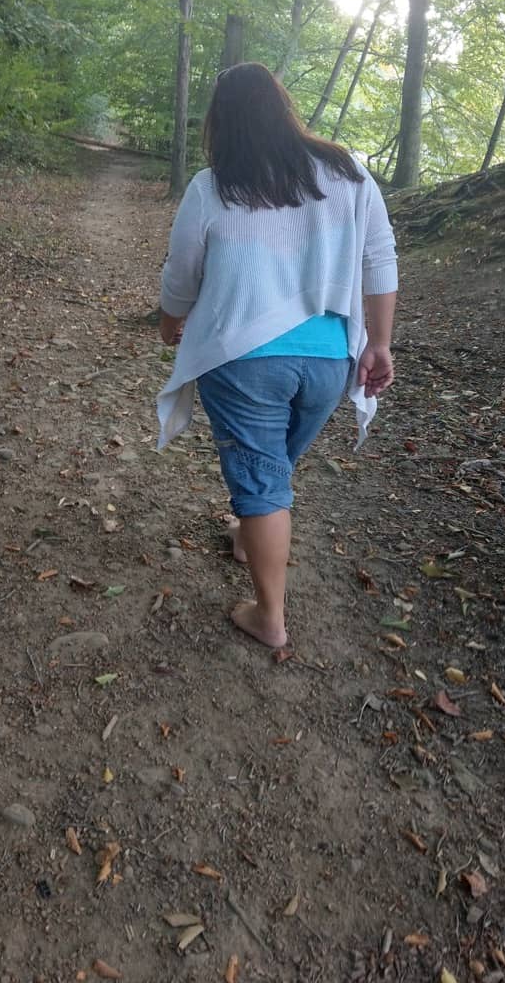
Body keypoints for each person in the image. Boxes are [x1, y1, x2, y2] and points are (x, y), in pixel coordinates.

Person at [156, 62, 397, 648]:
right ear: (284, 107)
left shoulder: (214, 186)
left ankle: (270, 617)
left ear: (222, 121)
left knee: (263, 479)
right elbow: (380, 258)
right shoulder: (349, 173)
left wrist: (170, 323)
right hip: (329, 357)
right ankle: (249, 529)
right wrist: (380, 341)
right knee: (270, 466)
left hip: (243, 358)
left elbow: (182, 272)